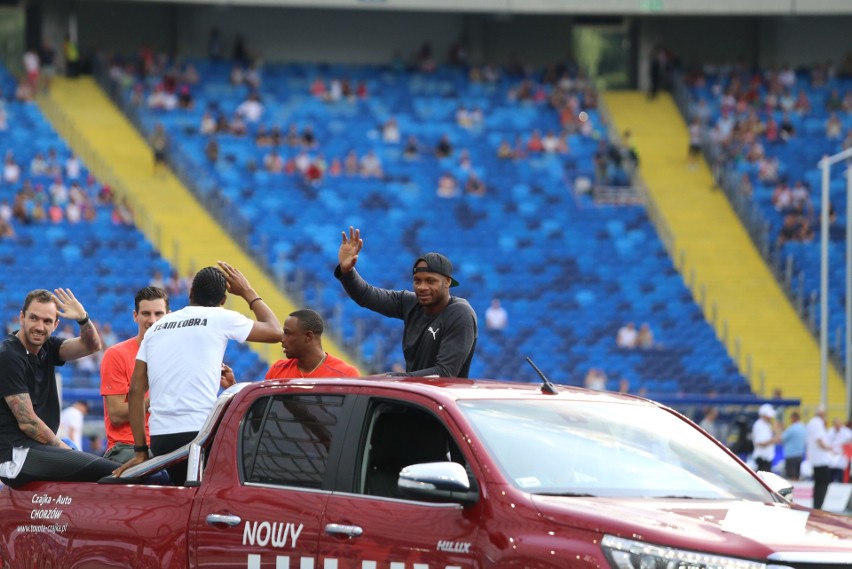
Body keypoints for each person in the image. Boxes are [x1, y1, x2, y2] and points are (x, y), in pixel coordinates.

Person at [115, 262, 282, 483]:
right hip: (200, 435)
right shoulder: (220, 317)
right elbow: (276, 331)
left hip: (161, 439)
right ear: (222, 301)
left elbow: (136, 390)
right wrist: (247, 292)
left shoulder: (156, 328)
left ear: (190, 292)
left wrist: (140, 451)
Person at [0, 288, 119, 487]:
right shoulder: (8, 355)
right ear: (22, 317)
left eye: (47, 321)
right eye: (34, 318)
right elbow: (28, 422)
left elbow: (91, 346)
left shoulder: (48, 347)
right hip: (14, 456)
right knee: (112, 471)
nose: (39, 326)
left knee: (109, 470)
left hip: (37, 451)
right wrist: (65, 450)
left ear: (56, 324)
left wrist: (83, 318)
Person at [335, 227, 477, 377]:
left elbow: (444, 373)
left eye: (430, 281)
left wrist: (393, 378)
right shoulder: (410, 302)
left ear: (447, 282)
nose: (422, 287)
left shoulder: (460, 313)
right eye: (417, 281)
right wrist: (347, 271)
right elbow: (367, 296)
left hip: (442, 398)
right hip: (416, 396)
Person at [100, 287, 169, 464]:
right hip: (126, 447)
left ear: (169, 316)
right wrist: (157, 396)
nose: (152, 321)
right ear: (135, 316)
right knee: (161, 467)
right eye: (146, 313)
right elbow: (116, 415)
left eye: (158, 314)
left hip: (166, 444)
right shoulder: (117, 354)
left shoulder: (175, 356)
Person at [265, 309, 360, 379]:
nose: (282, 339)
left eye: (288, 333)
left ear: (308, 337)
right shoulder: (276, 371)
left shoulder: (347, 375)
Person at [806, 405, 832, 509]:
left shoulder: (813, 423)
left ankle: (816, 506)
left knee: (818, 483)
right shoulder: (817, 423)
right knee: (823, 483)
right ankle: (818, 506)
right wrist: (829, 448)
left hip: (816, 459)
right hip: (820, 459)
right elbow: (819, 440)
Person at [751, 403, 779, 472]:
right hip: (762, 458)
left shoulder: (767, 425)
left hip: (767, 457)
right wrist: (773, 440)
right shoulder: (759, 425)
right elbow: (760, 443)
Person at [781, 410, 807, 480]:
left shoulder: (792, 428)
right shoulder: (803, 427)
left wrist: (782, 429)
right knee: (797, 475)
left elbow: (782, 438)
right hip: (800, 454)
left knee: (791, 477)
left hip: (791, 455)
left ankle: (792, 491)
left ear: (794, 418)